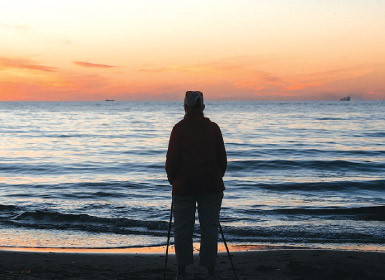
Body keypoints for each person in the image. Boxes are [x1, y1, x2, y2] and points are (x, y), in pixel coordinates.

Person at [165, 91, 227, 280]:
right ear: (203, 107)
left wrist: (173, 180)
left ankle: (182, 270)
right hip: (211, 186)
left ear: (185, 107)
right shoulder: (213, 128)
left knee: (183, 228)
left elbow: (171, 162)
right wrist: (215, 176)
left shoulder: (179, 129)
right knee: (209, 228)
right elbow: (222, 160)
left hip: (183, 187)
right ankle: (210, 270)